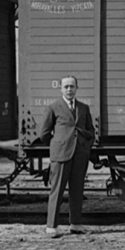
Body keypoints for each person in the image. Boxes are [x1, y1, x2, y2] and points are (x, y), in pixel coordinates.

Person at [40, 75, 95, 238]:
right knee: (57, 190)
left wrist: (85, 145)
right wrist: (58, 144)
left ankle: (76, 224)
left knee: (77, 190)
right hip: (61, 154)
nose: (69, 89)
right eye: (66, 87)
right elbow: (43, 134)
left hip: (80, 154)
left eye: (72, 86)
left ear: (77, 88)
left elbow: (91, 131)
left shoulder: (84, 108)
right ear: (61, 89)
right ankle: (51, 226)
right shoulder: (53, 107)